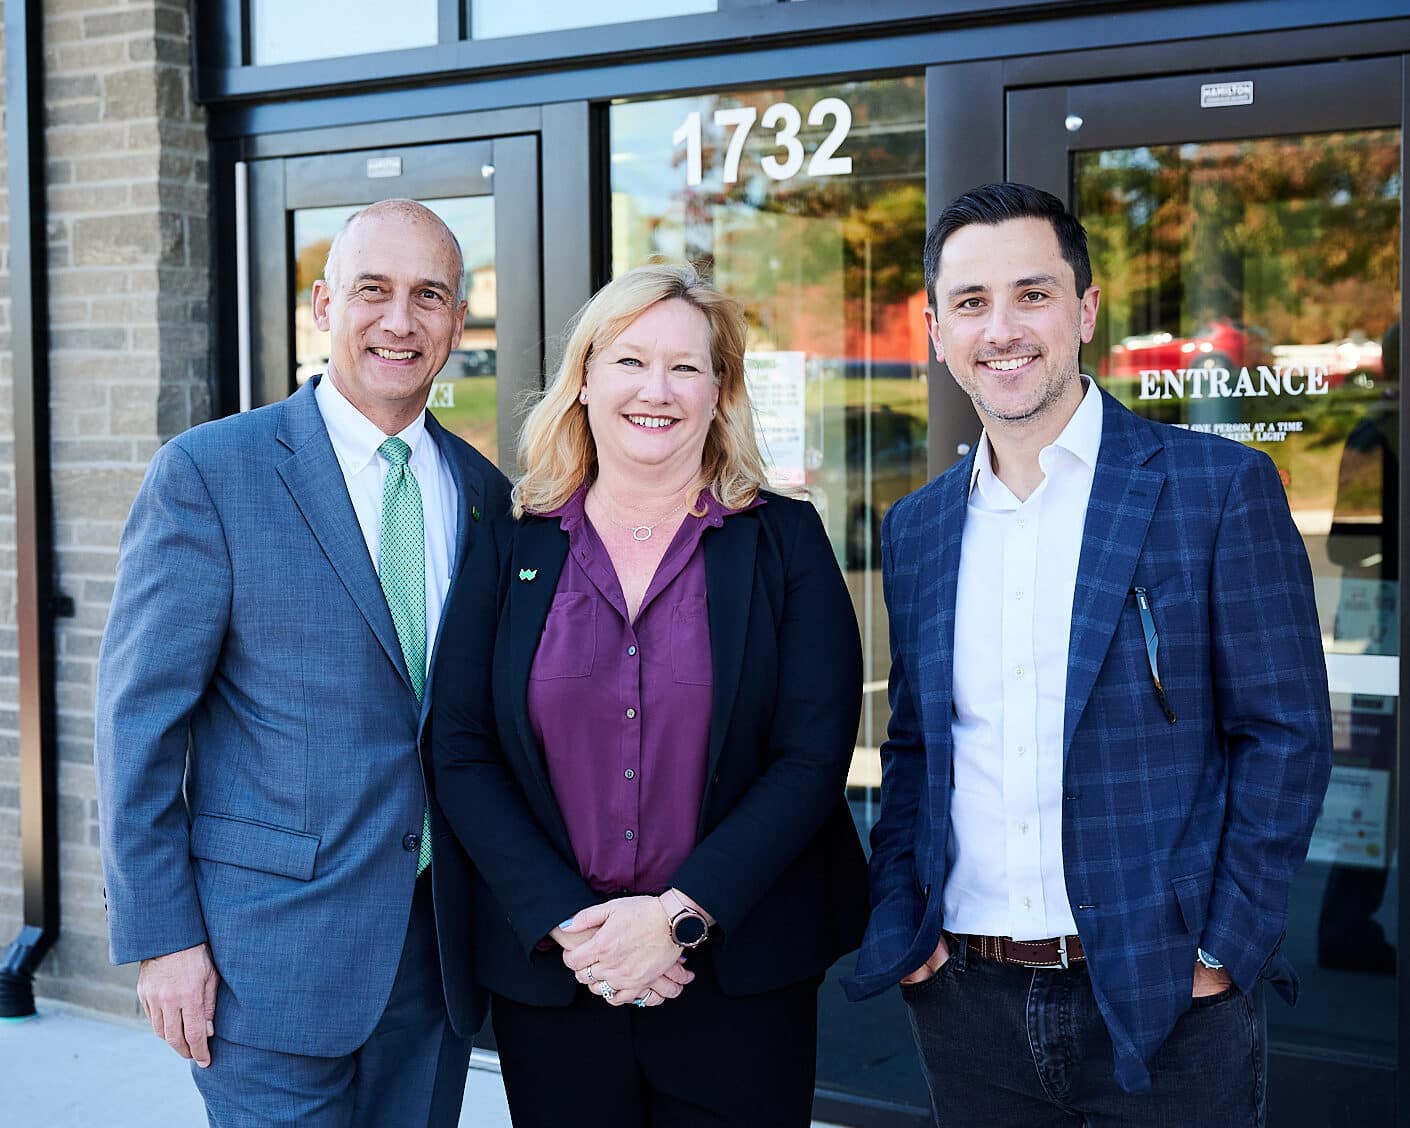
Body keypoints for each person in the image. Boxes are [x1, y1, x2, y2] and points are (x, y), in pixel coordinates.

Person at [846, 183, 1333, 1125]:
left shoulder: (1215, 488)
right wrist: (907, 932)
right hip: (968, 998)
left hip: (1170, 997)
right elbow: (915, 749)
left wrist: (1225, 946)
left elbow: (1286, 735)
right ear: (936, 330)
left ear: (1086, 309)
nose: (1002, 330)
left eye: (1032, 294)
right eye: (971, 303)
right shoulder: (918, 529)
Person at [95, 198, 510, 1126]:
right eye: (374, 290)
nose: (399, 321)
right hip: (264, 959)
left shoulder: (486, 495)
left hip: (435, 956)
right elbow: (138, 726)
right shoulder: (212, 474)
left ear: (457, 320)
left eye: (429, 297)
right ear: (324, 306)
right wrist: (165, 942)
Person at [431, 262, 868, 1127]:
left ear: (720, 389)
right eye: (629, 361)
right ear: (585, 379)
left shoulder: (785, 541)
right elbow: (461, 746)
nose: (654, 390)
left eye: (685, 366)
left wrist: (678, 919)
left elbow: (812, 755)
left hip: (739, 975)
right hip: (561, 975)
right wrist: (568, 923)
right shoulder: (511, 541)